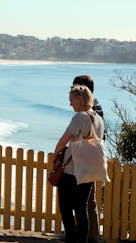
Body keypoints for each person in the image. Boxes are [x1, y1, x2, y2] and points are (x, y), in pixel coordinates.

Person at [55, 85, 105, 243]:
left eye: (71, 100)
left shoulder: (80, 117)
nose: (70, 104)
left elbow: (63, 140)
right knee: (81, 208)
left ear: (80, 99)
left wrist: (55, 156)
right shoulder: (98, 118)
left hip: (72, 171)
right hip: (89, 170)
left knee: (66, 207)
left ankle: (71, 239)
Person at [72, 75, 104, 243]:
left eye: (75, 87)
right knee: (88, 202)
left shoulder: (90, 110)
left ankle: (88, 237)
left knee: (85, 202)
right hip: (92, 159)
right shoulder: (95, 107)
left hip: (87, 160)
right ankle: (91, 236)